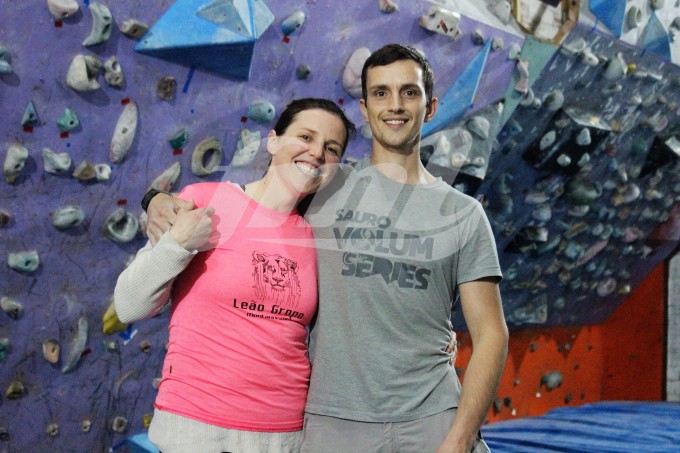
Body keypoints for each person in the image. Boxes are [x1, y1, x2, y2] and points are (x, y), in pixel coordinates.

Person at [146, 44, 508, 453]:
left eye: (410, 92)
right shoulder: (321, 185)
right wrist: (154, 201)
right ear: (365, 108)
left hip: (431, 416)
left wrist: (460, 438)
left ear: (430, 107)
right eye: (380, 93)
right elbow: (239, 200)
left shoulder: (463, 213)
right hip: (331, 421)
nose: (395, 105)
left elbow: (492, 333)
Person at [114, 98, 356, 453]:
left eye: (331, 148)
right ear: (272, 141)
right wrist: (177, 245)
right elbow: (128, 306)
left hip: (284, 436)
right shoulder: (205, 200)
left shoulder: (317, 237)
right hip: (195, 431)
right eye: (305, 136)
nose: (317, 153)